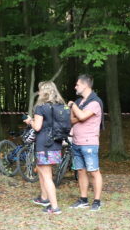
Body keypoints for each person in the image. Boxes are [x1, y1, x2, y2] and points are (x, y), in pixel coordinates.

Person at [25, 80, 69, 215]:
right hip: (56, 143)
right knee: (42, 170)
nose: (38, 92)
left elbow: (37, 127)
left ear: (43, 92)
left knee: (47, 176)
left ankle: (54, 207)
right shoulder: (60, 106)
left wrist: (30, 121)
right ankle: (44, 198)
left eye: (40, 90)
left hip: (44, 144)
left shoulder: (41, 107)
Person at [67, 73, 103, 211]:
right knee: (81, 171)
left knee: (93, 171)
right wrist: (79, 113)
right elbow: (72, 119)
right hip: (76, 142)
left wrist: (72, 106)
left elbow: (81, 116)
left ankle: (97, 201)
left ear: (85, 85)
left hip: (89, 143)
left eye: (77, 84)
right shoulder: (79, 102)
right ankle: (83, 200)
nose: (75, 87)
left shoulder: (95, 102)